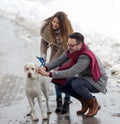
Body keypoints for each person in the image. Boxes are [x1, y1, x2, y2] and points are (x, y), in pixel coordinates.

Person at [38, 32, 108, 117]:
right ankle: (85, 101)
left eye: (71, 45)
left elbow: (71, 72)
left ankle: (93, 103)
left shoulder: (85, 57)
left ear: (80, 45)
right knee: (60, 83)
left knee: (76, 84)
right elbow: (59, 60)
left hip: (97, 81)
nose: (69, 47)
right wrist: (46, 67)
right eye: (68, 44)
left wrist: (49, 74)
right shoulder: (72, 50)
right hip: (85, 78)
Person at [40, 11, 74, 114]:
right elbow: (44, 41)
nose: (54, 24)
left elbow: (63, 49)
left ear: (62, 25)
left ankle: (67, 102)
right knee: (56, 76)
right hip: (55, 51)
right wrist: (43, 54)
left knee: (66, 78)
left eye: (58, 23)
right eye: (53, 21)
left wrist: (51, 63)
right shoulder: (48, 27)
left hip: (67, 53)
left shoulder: (68, 33)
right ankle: (59, 101)